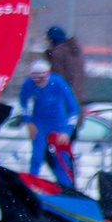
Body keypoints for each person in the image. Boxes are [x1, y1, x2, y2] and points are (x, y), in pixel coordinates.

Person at [22, 56, 81, 186]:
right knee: (37, 156)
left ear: (48, 74)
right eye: (35, 78)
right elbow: (23, 103)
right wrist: (28, 122)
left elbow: (73, 109)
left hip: (58, 124)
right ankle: (31, 185)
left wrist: (66, 131)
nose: (38, 82)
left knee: (61, 159)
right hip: (39, 123)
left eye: (41, 78)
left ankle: (66, 188)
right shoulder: (28, 84)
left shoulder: (58, 83)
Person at [42, 22, 86, 99]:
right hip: (77, 94)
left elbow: (57, 76)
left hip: (63, 96)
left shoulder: (58, 53)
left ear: (52, 39)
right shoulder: (75, 51)